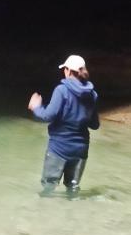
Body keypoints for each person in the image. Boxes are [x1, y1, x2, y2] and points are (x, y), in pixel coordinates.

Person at [28, 55, 99, 195]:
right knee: (73, 188)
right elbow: (95, 125)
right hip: (80, 150)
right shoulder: (92, 95)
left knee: (49, 187)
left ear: (67, 71)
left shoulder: (62, 91)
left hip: (59, 148)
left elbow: (48, 115)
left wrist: (36, 107)